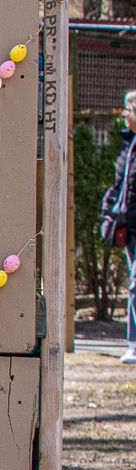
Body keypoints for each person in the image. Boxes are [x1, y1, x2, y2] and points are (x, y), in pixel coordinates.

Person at [99, 88, 136, 364]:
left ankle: (134, 344)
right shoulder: (128, 144)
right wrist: (111, 211)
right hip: (130, 227)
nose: (125, 114)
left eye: (129, 109)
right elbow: (121, 184)